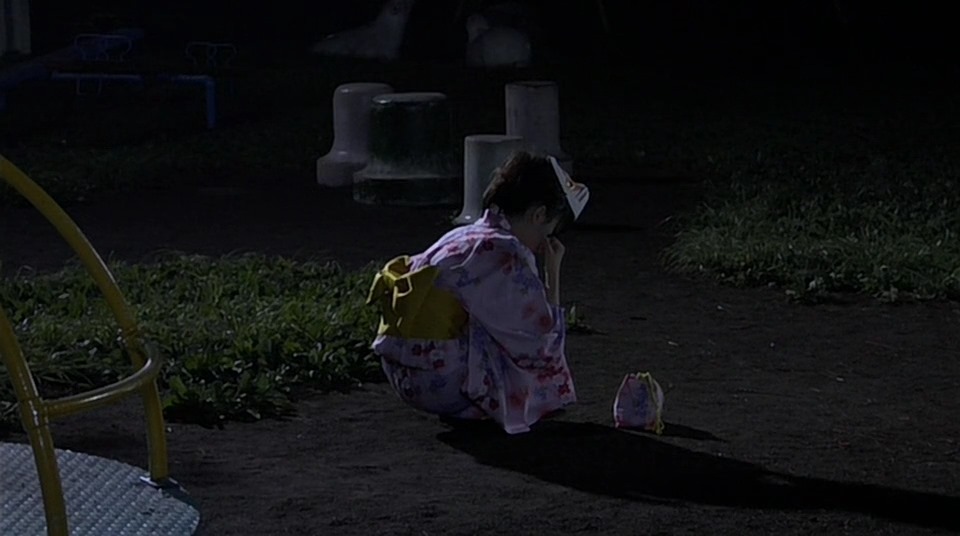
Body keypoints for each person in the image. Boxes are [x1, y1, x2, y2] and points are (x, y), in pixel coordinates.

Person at [365, 151, 590, 434]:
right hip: (437, 382)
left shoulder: (465, 234)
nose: (543, 243)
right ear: (539, 215)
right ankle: (480, 407)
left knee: (487, 324)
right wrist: (552, 275)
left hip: (400, 369)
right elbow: (540, 348)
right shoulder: (507, 253)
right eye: (548, 231)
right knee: (523, 356)